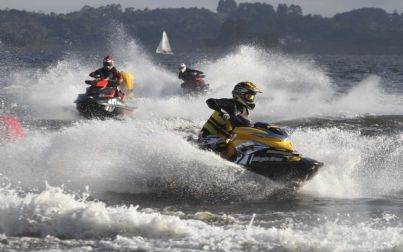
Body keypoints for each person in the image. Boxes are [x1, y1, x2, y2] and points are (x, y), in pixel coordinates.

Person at [198, 81, 261, 156]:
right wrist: (222, 111)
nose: (251, 99)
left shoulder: (244, 111)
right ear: (240, 95)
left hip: (225, 142)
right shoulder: (229, 103)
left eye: (252, 97)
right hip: (206, 139)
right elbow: (210, 101)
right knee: (221, 145)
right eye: (249, 96)